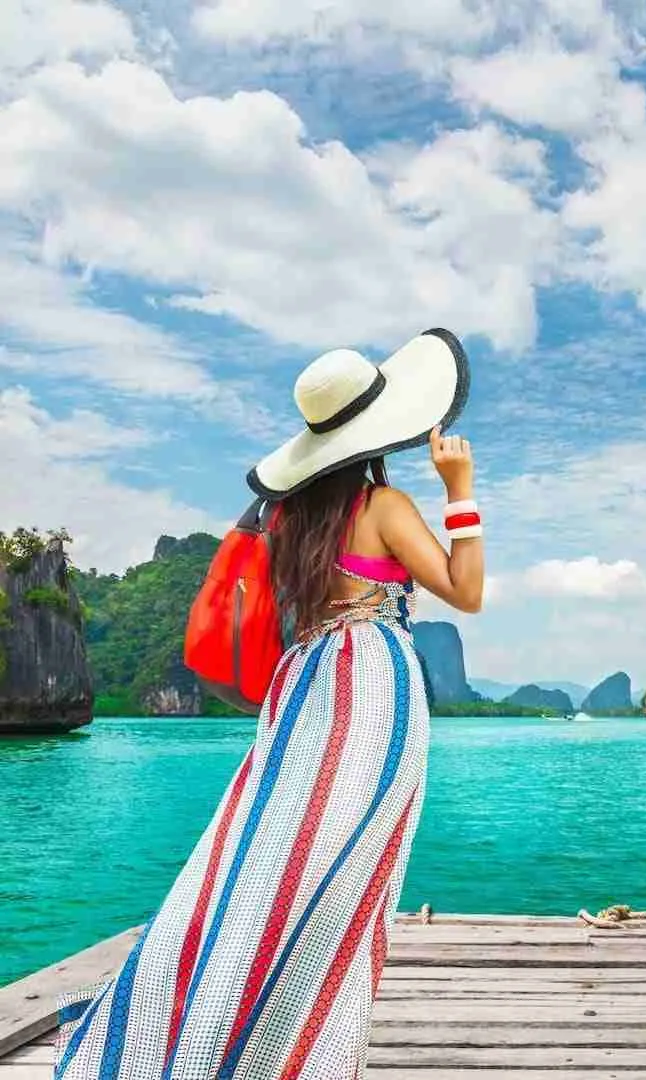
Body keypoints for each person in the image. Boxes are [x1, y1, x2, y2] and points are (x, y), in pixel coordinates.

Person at [55, 328, 483, 1080]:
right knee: (346, 873)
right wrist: (460, 491)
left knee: (262, 856)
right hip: (371, 686)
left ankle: (197, 1017)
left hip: (305, 681)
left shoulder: (287, 520)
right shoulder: (384, 506)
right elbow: (466, 591)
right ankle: (294, 1046)